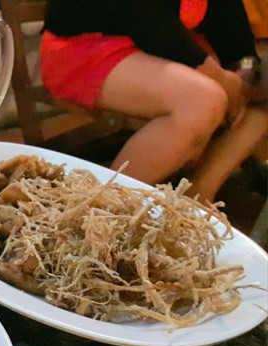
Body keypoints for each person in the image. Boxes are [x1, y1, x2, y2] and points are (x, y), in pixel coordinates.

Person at [39, 0, 268, 203]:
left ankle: (198, 198)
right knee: (202, 100)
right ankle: (100, 204)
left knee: (260, 87)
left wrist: (244, 73)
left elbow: (233, 32)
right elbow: (146, 20)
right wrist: (221, 78)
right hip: (86, 46)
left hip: (163, 48)